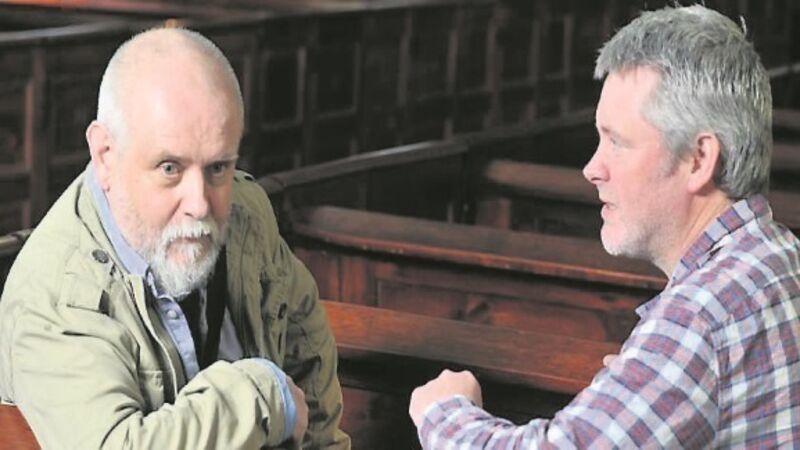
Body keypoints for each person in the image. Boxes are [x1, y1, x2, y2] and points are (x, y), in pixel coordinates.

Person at [409, 4, 800, 448]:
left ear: (699, 159)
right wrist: (655, 377)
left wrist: (443, 411)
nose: (592, 168)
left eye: (617, 142)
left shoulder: (700, 319)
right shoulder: (779, 254)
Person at [0, 27, 350, 449]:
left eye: (218, 167)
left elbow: (307, 346)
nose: (199, 204)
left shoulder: (247, 212)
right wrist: (262, 395)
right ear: (105, 156)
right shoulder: (55, 295)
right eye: (170, 168)